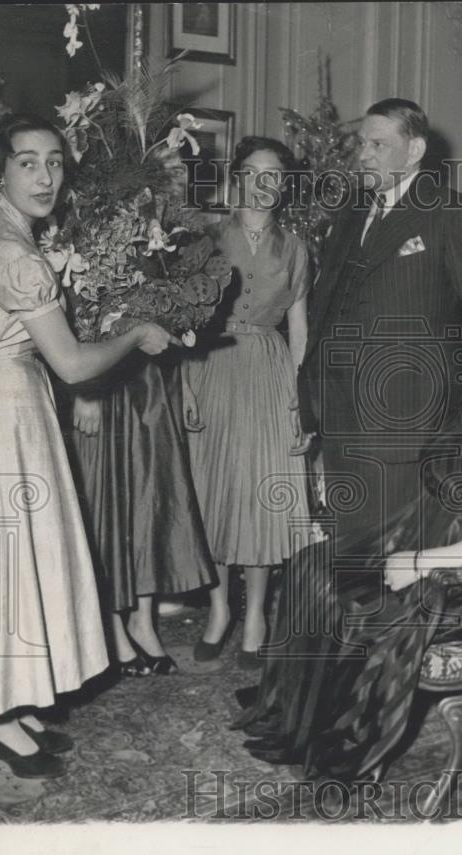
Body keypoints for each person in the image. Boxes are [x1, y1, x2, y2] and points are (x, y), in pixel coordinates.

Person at [234, 294, 462, 782]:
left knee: (364, 607)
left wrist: (421, 562)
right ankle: (295, 711)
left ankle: (348, 745)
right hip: (417, 532)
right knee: (311, 565)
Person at [0, 113, 179, 777]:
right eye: (27, 161)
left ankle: (10, 699)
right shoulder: (15, 253)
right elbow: (73, 365)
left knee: (8, 551)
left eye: (55, 161)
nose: (45, 176)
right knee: (4, 556)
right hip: (3, 408)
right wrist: (136, 334)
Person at [298, 97, 462, 541]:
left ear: (414, 151)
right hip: (340, 408)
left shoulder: (450, 212)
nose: (364, 154)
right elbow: (326, 305)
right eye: (361, 144)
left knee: (397, 540)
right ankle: (352, 609)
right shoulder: (351, 213)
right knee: (349, 536)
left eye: (378, 144)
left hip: (407, 412)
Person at [184, 136, 311, 666]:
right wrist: (187, 385)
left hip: (268, 368)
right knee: (213, 491)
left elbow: (300, 326)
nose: (265, 184)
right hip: (212, 364)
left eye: (275, 175)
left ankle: (255, 614)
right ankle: (220, 610)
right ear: (237, 177)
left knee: (262, 495)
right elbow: (185, 320)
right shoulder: (205, 239)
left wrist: (299, 397)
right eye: (255, 173)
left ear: (284, 185)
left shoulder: (297, 248)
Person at [70, 316, 216, 677]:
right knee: (102, 502)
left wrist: (183, 383)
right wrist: (84, 391)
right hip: (98, 382)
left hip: (149, 381)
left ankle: (143, 622)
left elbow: (162, 313)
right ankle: (113, 626)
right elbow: (71, 321)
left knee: (151, 495)